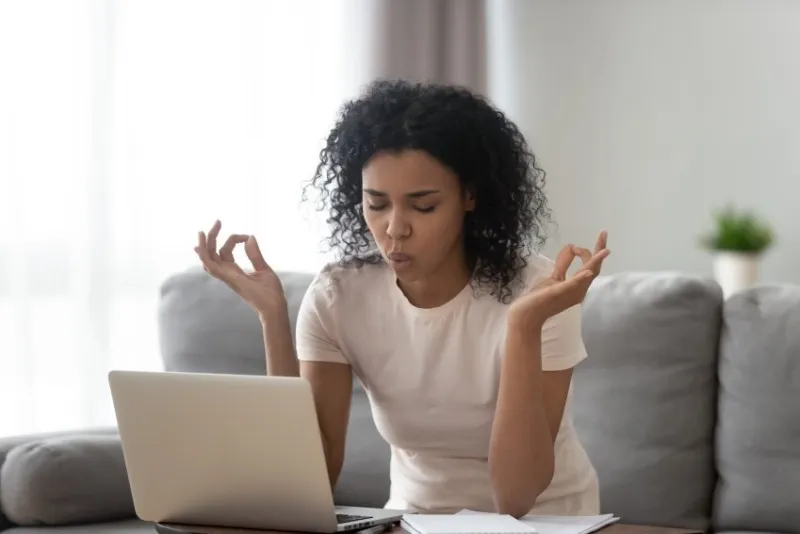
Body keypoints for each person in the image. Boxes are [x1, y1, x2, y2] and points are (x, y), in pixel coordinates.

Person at [194, 79, 609, 519]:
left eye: (423, 206)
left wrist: (523, 327)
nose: (395, 229)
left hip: (549, 523)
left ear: (470, 197)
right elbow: (307, 480)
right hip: (412, 521)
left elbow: (515, 498)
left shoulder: (540, 291)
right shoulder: (339, 298)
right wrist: (273, 318)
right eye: (376, 205)